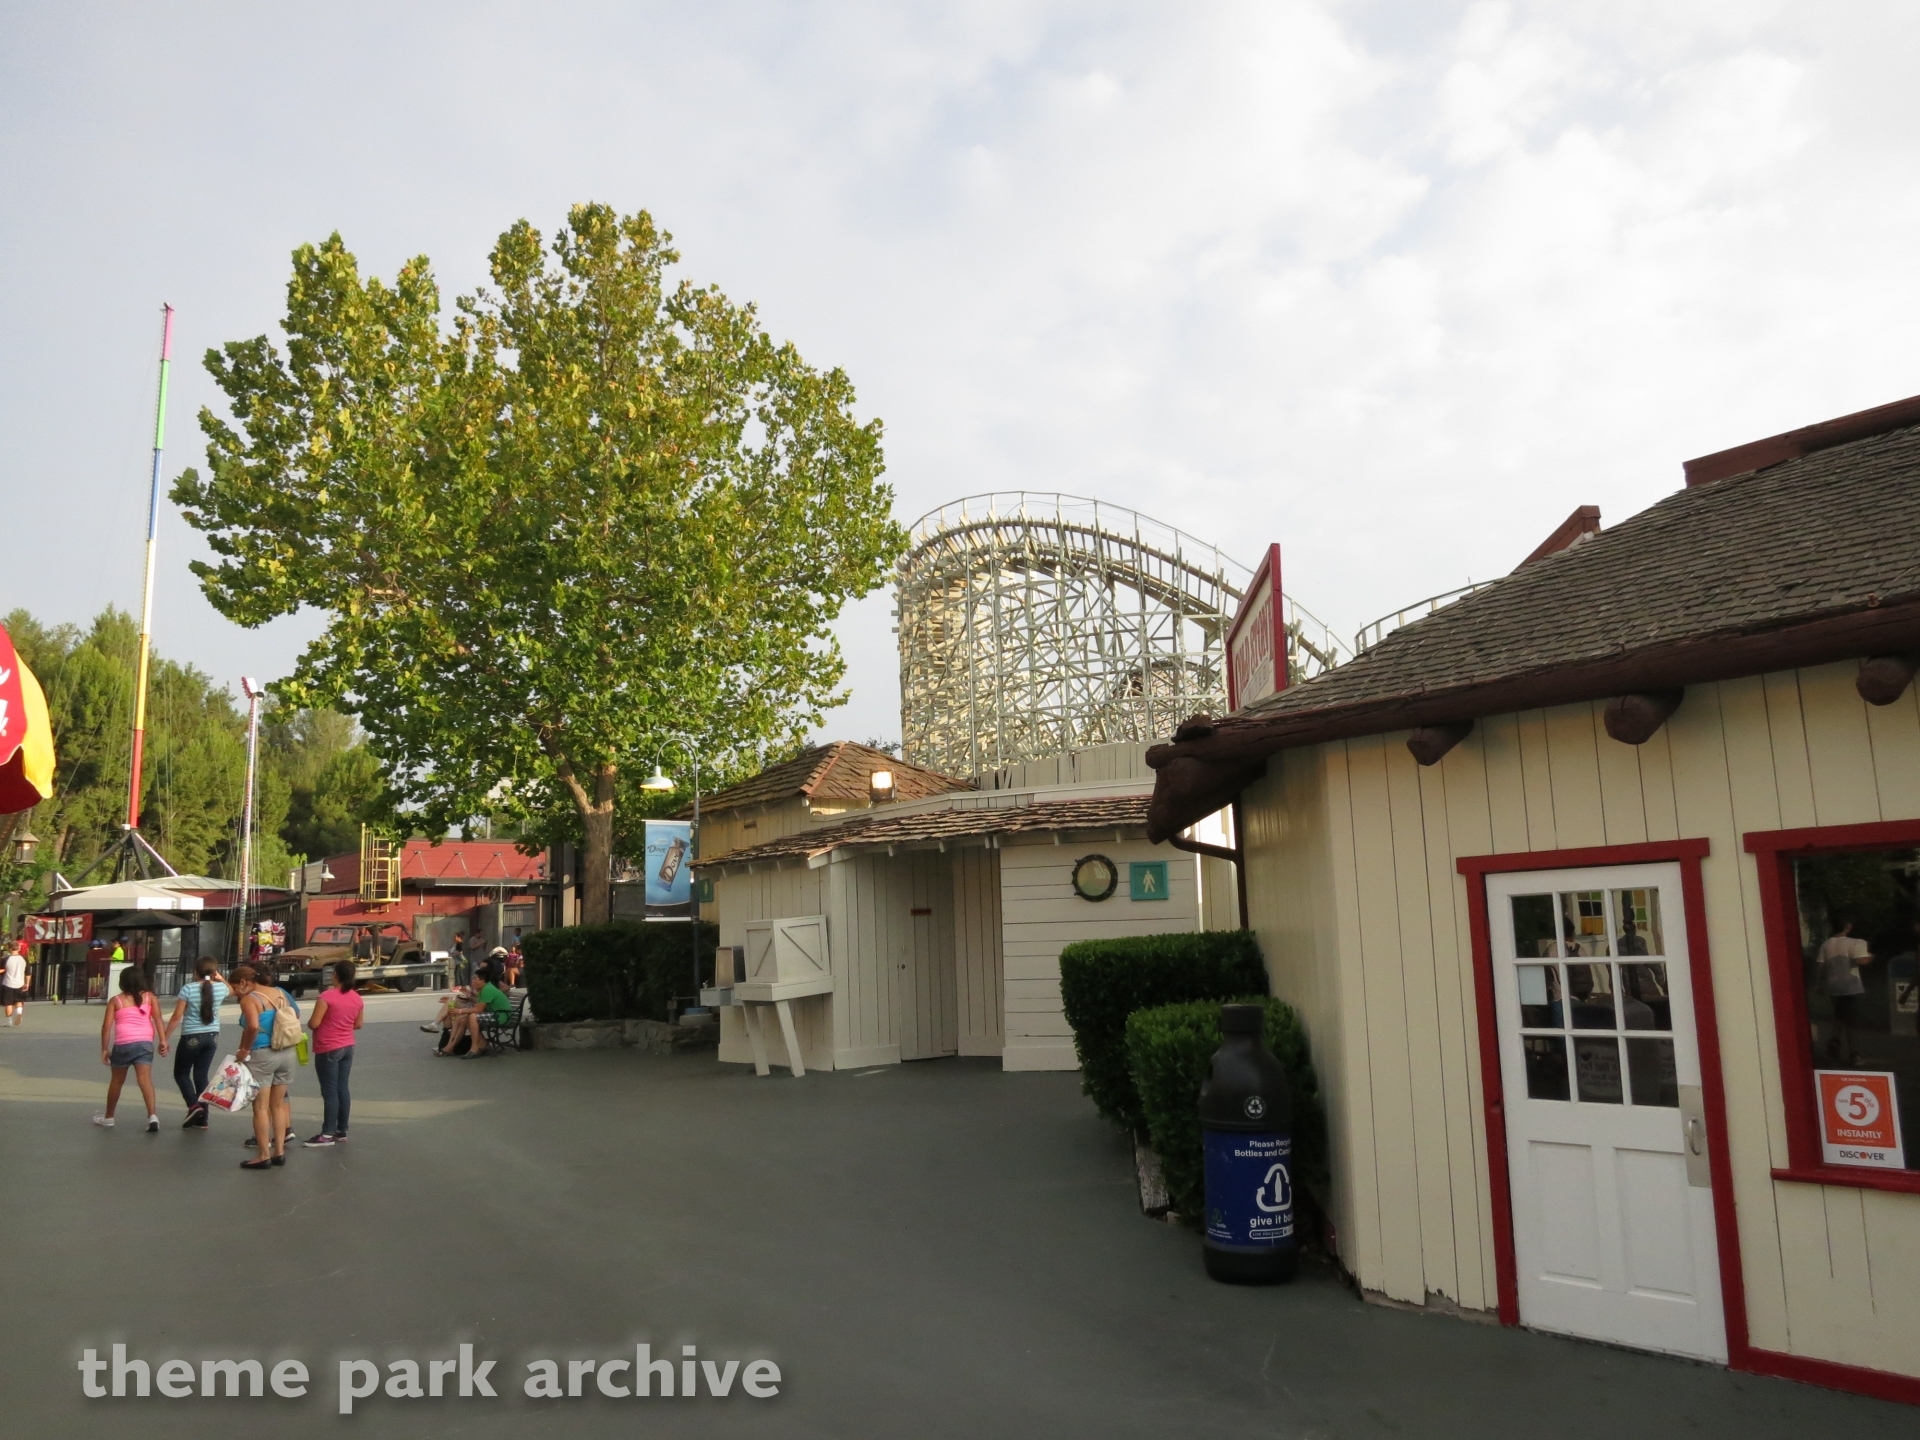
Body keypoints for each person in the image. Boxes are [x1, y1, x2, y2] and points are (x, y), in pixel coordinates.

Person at [231, 964, 298, 1169]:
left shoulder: (250, 999)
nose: (235, 993)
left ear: (244, 982)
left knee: (260, 1107)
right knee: (277, 1105)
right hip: (287, 1051)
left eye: (235, 988)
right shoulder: (280, 993)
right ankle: (279, 1152)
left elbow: (252, 1025)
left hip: (262, 1054)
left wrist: (244, 1050)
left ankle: (263, 1155)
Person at [94, 965, 167, 1131]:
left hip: (123, 1044)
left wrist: (104, 1048)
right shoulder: (150, 997)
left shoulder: (116, 1001)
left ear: (122, 982)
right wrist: (163, 1040)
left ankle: (109, 1117)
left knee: (117, 1081)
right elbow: (158, 1019)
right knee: (145, 1080)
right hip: (144, 1043)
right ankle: (152, 1116)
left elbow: (107, 1026)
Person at [304, 960, 364, 1147]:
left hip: (328, 1046)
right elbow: (358, 1024)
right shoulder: (356, 998)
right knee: (342, 1088)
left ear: (336, 975)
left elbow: (314, 1023)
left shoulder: (326, 997)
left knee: (329, 1091)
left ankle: (327, 1133)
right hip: (348, 1045)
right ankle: (341, 1129)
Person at [164, 959, 230, 1128]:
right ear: (214, 972)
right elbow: (232, 990)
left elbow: (177, 1016)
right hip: (212, 1036)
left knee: (181, 1073)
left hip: (191, 1036)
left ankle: (194, 1105)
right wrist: (221, 979)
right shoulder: (220, 988)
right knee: (201, 1075)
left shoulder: (188, 989)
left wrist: (164, 1037)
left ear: (196, 971)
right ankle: (203, 1118)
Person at [1819, 920, 1876, 1063]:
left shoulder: (1826, 944)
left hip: (1833, 985)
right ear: (1848, 926)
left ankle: (1834, 1041)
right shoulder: (1856, 942)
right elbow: (1862, 960)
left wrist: (1819, 984)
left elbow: (1820, 966)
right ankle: (1853, 1053)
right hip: (1851, 986)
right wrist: (1871, 956)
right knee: (1850, 1021)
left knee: (1839, 1014)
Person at [436, 961, 510, 1058]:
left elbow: (479, 1009)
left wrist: (460, 1011)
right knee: (461, 1019)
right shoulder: (483, 989)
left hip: (501, 1016)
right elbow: (477, 1004)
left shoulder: (487, 989)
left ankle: (475, 1048)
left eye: (475, 979)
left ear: (482, 980)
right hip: (495, 1014)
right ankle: (450, 1046)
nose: (472, 981)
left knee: (472, 1016)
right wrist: (461, 1009)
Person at [3, 937, 28, 1025]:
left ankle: (9, 1021)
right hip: (20, 983)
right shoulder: (24, 959)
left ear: (10, 949)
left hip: (8, 983)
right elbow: (28, 973)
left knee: (8, 1003)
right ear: (19, 948)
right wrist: (27, 983)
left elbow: (2, 969)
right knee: (19, 1001)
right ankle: (19, 1013)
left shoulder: (6, 959)